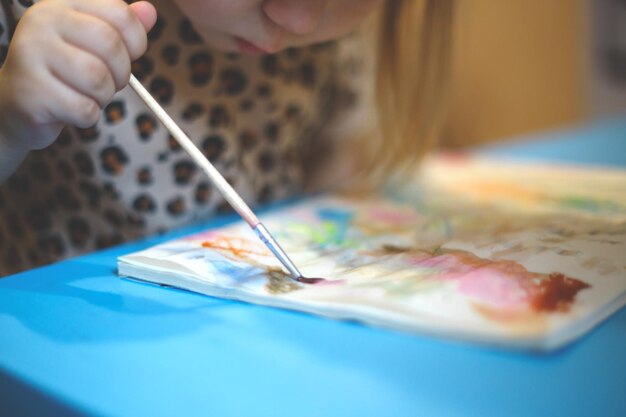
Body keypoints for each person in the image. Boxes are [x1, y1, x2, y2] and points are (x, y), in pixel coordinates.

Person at [0, 0, 454, 276]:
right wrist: (11, 120)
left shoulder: (331, 39)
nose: (296, 19)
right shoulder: (34, 17)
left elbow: (329, 170)